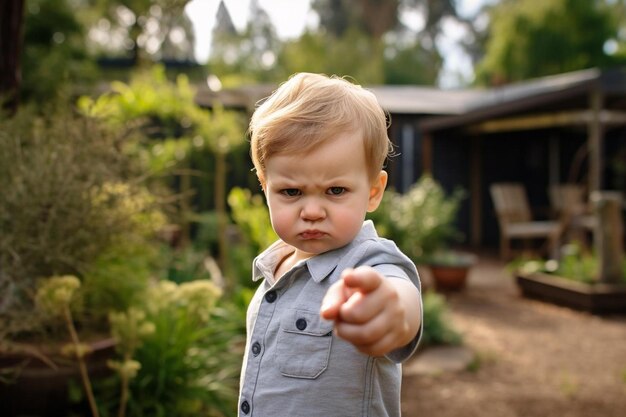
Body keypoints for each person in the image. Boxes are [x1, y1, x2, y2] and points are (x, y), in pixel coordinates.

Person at [238, 72, 422, 417]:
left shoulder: (368, 264)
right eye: (291, 192)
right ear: (265, 187)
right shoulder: (274, 269)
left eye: (335, 191)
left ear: (373, 192)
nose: (311, 211)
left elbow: (398, 296)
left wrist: (389, 311)